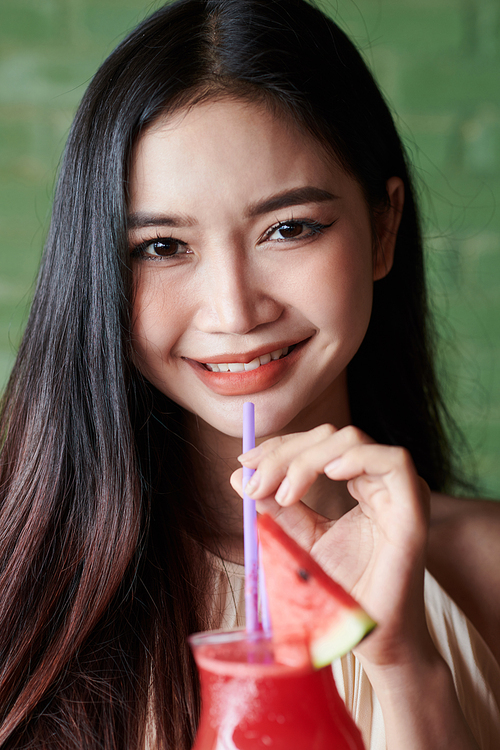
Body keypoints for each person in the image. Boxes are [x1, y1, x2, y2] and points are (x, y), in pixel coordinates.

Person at [0, 0, 498, 747]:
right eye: (163, 246)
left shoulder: (489, 568)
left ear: (384, 228)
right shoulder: (18, 587)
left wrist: (406, 665)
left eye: (289, 229)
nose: (234, 311)